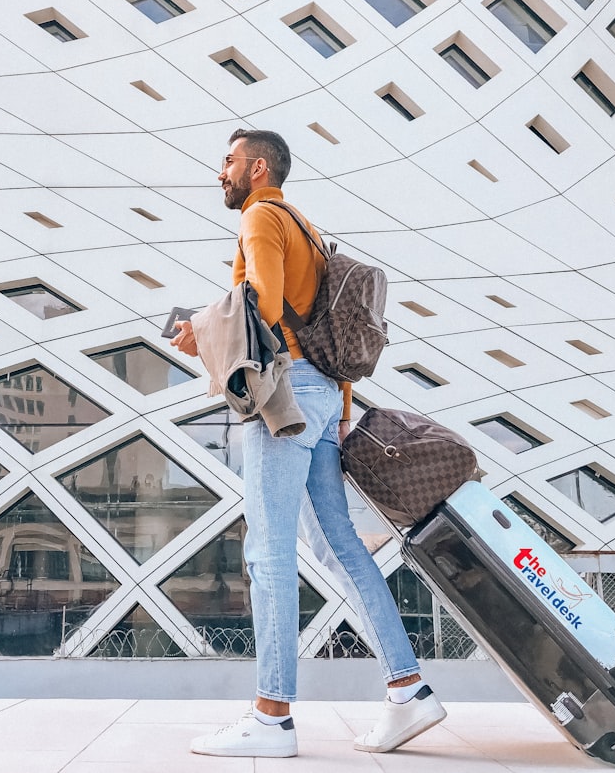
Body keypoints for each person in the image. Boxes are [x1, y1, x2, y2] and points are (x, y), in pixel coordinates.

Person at [171, 129, 446, 758]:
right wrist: (340, 411)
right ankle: (409, 690)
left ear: (258, 167)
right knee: (341, 546)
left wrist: (200, 331)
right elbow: (322, 329)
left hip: (284, 398)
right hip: (322, 396)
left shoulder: (262, 216)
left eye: (230, 161)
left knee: (268, 553)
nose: (222, 172)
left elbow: (262, 304)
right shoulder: (309, 229)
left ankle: (272, 719)